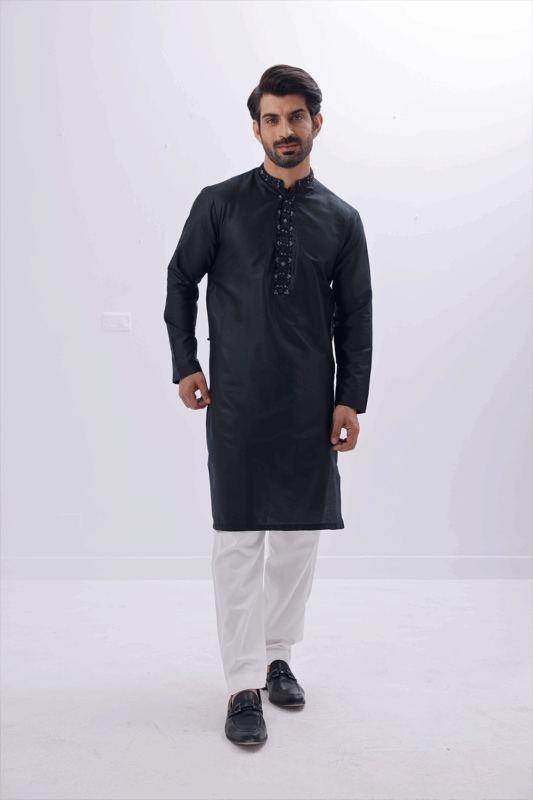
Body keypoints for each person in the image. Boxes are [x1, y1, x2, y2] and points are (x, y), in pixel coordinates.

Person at [164, 64, 373, 745]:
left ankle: (277, 655)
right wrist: (185, 363)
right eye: (273, 119)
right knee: (237, 540)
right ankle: (241, 684)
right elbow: (181, 279)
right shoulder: (219, 204)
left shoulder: (341, 219)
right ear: (256, 128)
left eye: (296, 117)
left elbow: (356, 316)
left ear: (317, 122)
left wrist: (349, 400)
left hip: (310, 405)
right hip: (236, 403)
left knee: (296, 540)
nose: (286, 130)